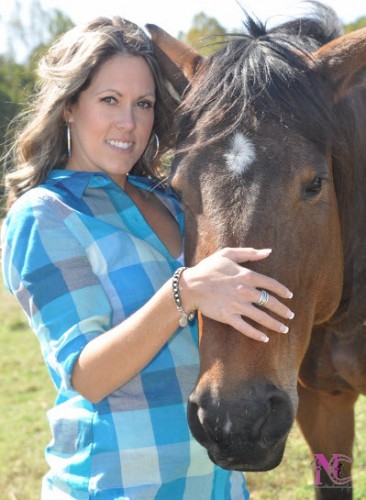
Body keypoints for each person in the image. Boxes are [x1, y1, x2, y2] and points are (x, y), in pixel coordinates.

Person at [0, 16, 294, 499]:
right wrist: (186, 292)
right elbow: (86, 375)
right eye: (109, 100)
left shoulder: (174, 199)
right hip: (120, 485)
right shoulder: (45, 216)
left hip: (216, 483)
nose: (129, 123)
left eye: (144, 104)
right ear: (70, 107)